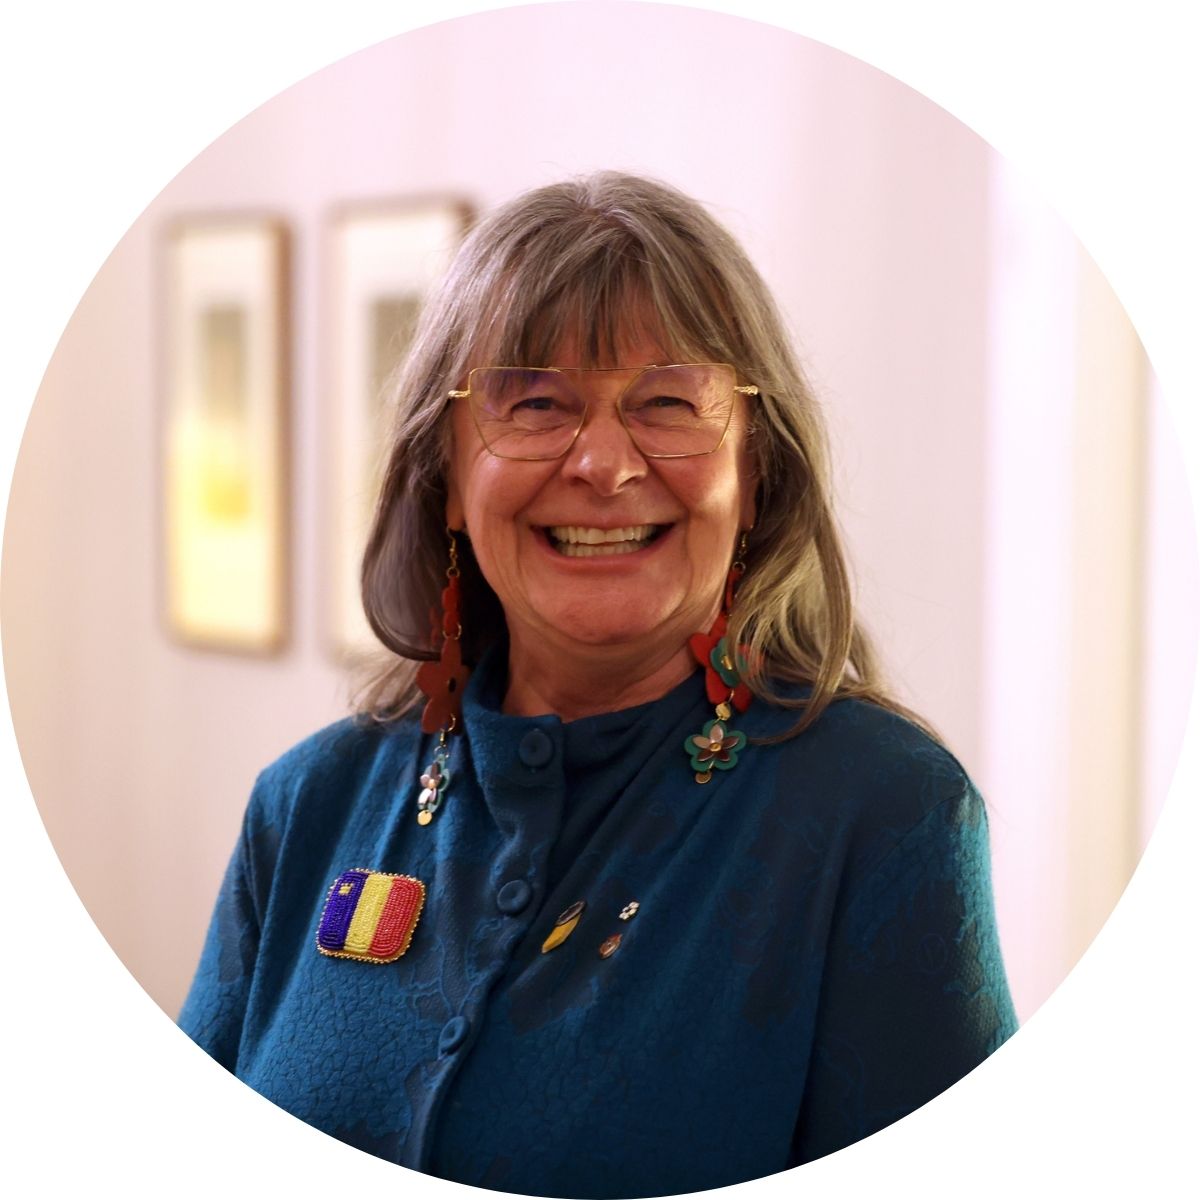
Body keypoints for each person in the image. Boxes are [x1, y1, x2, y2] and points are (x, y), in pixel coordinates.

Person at [179, 172, 1017, 1197]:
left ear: (755, 470)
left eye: (668, 403)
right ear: (444, 468)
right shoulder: (308, 806)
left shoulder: (882, 819)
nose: (605, 464)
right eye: (535, 405)